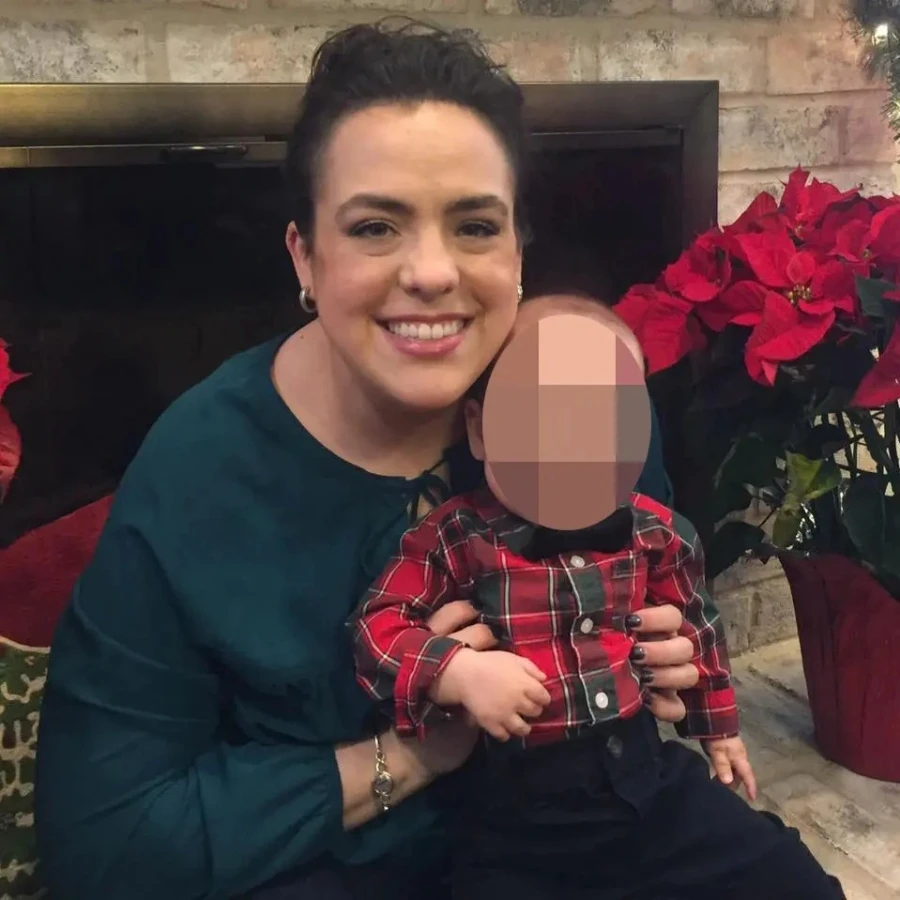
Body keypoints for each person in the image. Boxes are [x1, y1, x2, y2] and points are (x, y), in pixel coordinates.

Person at [35, 19, 704, 900]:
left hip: (586, 833)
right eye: (376, 226)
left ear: (517, 254)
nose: (431, 273)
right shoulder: (200, 469)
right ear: (305, 258)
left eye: (474, 225)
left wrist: (670, 657)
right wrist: (410, 755)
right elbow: (105, 842)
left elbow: (667, 603)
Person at [350, 303, 845, 899]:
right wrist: (455, 672)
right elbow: (377, 628)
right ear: (480, 430)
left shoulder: (656, 531)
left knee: (789, 874)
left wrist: (719, 730)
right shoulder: (456, 536)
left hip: (646, 779)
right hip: (514, 815)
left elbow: (697, 624)